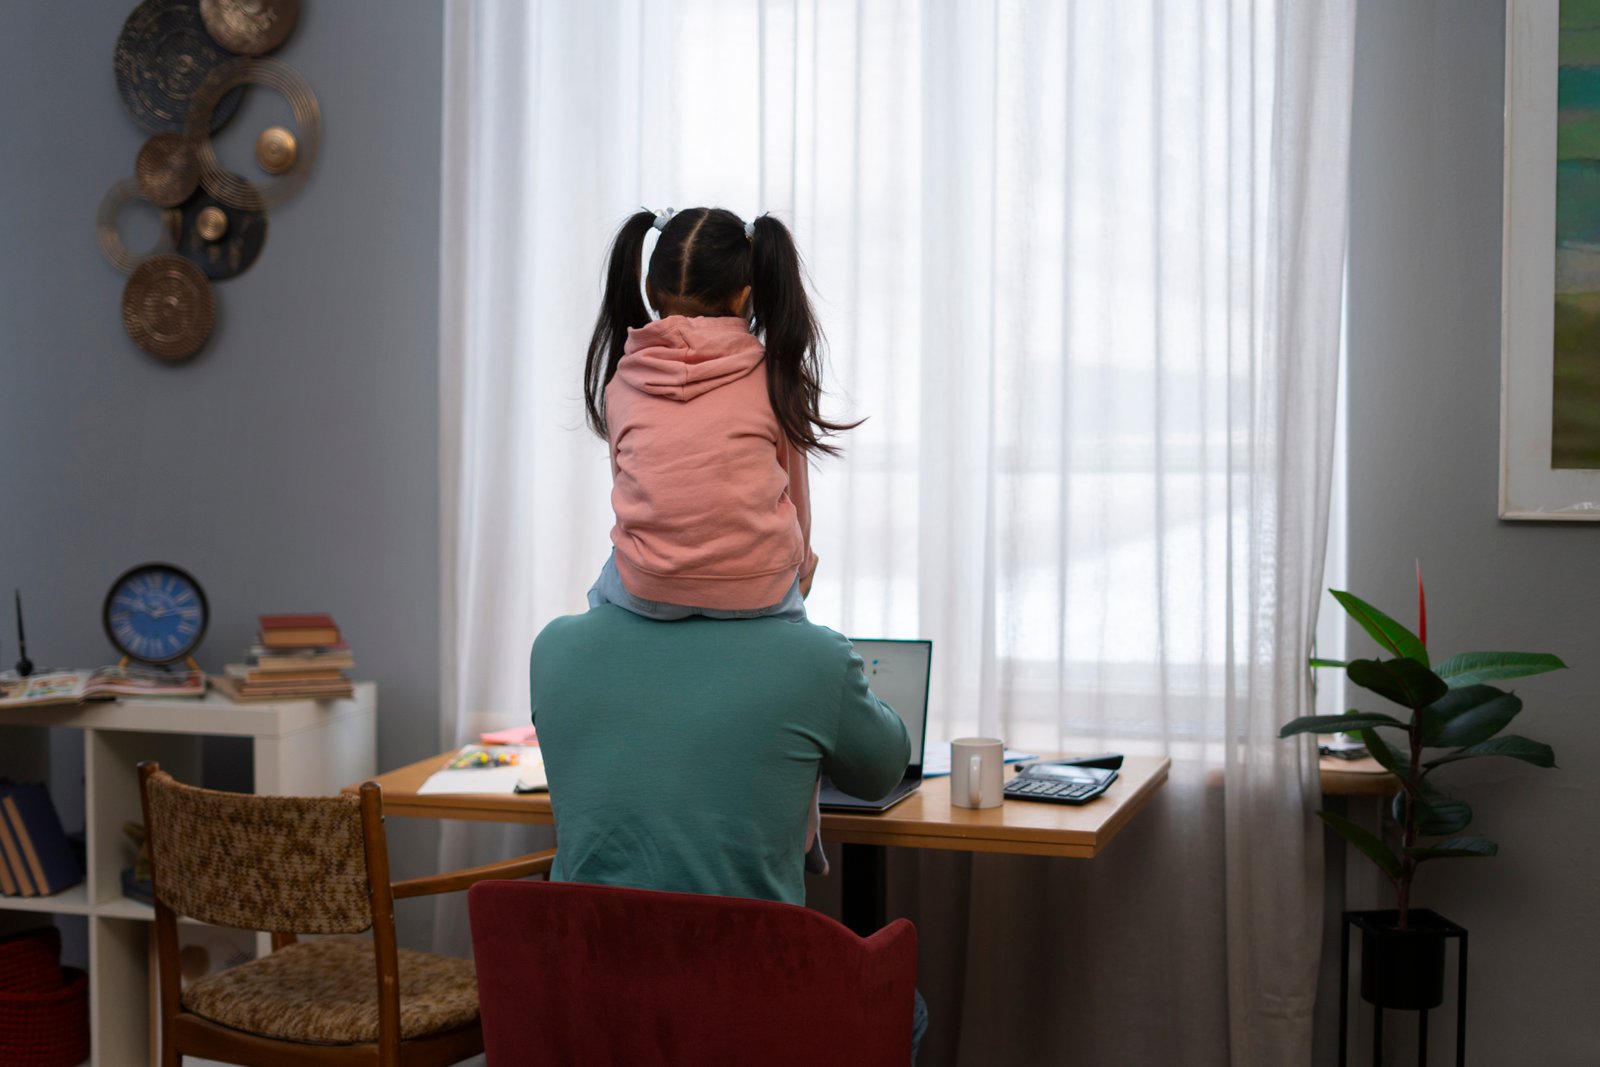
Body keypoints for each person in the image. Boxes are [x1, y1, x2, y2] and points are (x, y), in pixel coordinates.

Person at [581, 205, 859, 875]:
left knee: (603, 587)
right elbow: (795, 515)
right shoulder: (774, 374)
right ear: (747, 292)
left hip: (643, 593)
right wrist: (793, 578)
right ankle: (802, 836)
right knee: (797, 649)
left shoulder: (623, 379)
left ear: (650, 290)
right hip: (758, 596)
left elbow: (639, 494)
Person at [529, 606, 928, 1057]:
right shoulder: (814, 655)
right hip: (743, 1000)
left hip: (586, 991)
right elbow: (881, 771)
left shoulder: (554, 644)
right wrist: (788, 602)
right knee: (905, 1006)